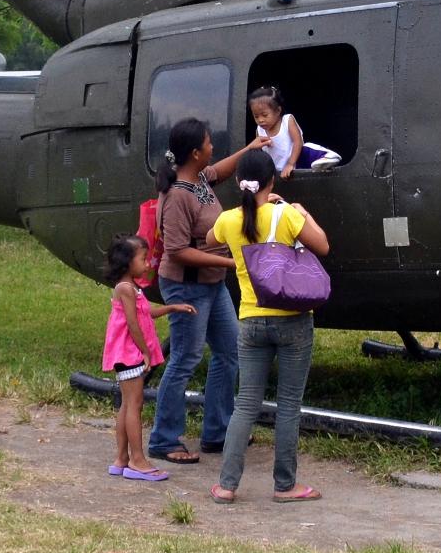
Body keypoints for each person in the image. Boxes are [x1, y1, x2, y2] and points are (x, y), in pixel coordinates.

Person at [209, 147, 330, 504]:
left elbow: (211, 240)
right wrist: (298, 210)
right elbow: (322, 245)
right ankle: (285, 485)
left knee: (245, 403)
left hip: (250, 319)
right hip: (293, 321)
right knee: (289, 405)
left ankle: (227, 485)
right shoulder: (285, 215)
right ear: (272, 181)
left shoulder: (229, 220)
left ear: (237, 181)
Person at [147, 117, 251, 467]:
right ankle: (163, 438)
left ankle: (217, 431)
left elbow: (219, 169)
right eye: (208, 143)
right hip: (186, 287)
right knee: (185, 359)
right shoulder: (177, 195)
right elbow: (176, 250)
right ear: (194, 152)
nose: (212, 148)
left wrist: (251, 149)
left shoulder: (200, 180)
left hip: (210, 284)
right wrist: (230, 263)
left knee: (229, 350)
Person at [100, 233, 195, 482]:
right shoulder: (125, 288)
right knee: (135, 405)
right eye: (143, 259)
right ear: (127, 262)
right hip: (130, 352)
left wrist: (172, 307)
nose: (147, 263)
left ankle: (121, 458)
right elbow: (133, 323)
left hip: (129, 352)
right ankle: (137, 460)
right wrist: (144, 351)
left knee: (127, 404)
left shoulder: (132, 287)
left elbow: (145, 314)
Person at [245, 85, 341, 179]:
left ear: (278, 111)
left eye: (265, 115)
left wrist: (290, 163)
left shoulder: (287, 121)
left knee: (306, 147)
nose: (260, 120)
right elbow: (261, 153)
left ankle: (326, 157)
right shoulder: (259, 130)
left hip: (297, 161)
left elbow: (298, 142)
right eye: (256, 116)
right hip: (278, 169)